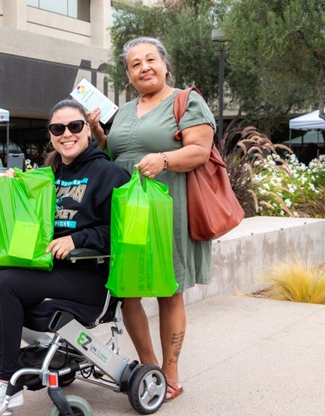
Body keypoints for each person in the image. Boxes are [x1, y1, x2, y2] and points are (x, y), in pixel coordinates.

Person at [0, 99, 130, 413]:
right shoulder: (45, 176)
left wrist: (77, 238)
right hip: (47, 270)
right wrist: (16, 189)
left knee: (4, 283)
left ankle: (7, 383)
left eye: (75, 126)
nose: (66, 133)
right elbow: (29, 224)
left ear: (88, 130)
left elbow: (119, 234)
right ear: (51, 135)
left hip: (88, 277)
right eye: (58, 128)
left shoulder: (110, 174)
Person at [90, 36, 216, 402]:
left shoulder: (186, 101)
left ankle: (171, 371)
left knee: (168, 290)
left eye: (150, 60)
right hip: (128, 211)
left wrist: (163, 159)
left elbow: (200, 150)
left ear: (164, 65)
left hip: (169, 207)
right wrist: (100, 137)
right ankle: (150, 368)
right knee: (128, 291)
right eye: (135, 64)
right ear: (128, 75)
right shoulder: (125, 111)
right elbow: (115, 156)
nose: (144, 67)